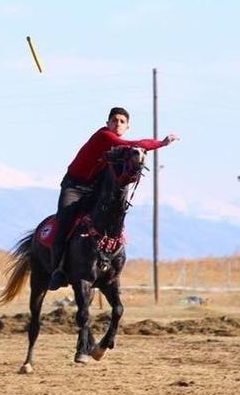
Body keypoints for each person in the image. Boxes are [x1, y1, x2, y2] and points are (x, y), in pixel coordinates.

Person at [48, 107, 178, 290]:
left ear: (127, 127)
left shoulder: (121, 151)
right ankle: (58, 271)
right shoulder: (104, 136)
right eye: (114, 120)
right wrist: (162, 143)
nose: (118, 124)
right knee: (64, 221)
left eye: (122, 122)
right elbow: (135, 144)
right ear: (107, 123)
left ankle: (105, 264)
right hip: (74, 187)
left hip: (93, 187)